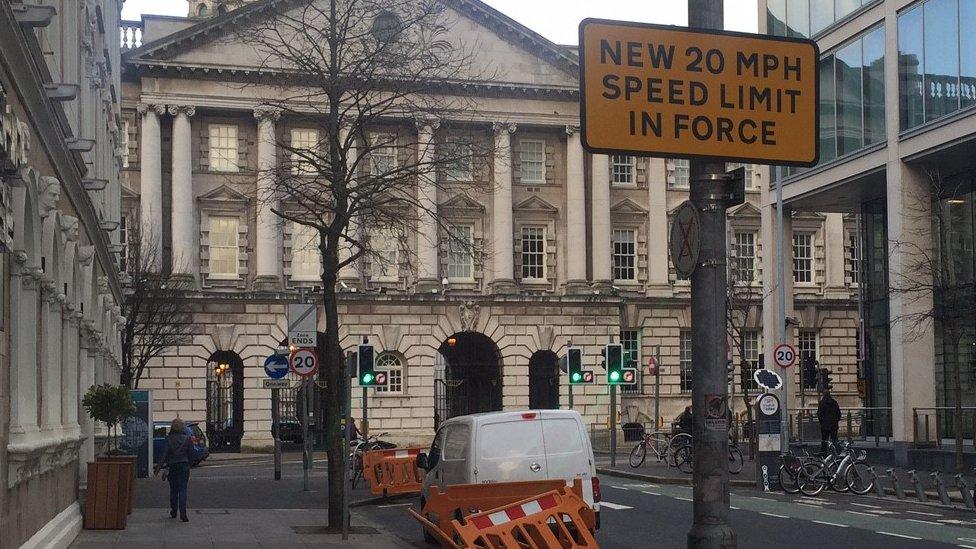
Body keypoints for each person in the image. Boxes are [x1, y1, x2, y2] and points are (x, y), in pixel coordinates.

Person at [155, 418, 192, 522]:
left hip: (172, 467)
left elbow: (164, 455)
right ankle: (183, 513)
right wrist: (189, 463)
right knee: (183, 489)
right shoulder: (187, 438)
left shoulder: (168, 439)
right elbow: (191, 453)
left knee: (174, 490)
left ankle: (174, 511)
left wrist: (158, 469)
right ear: (182, 427)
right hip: (184, 466)